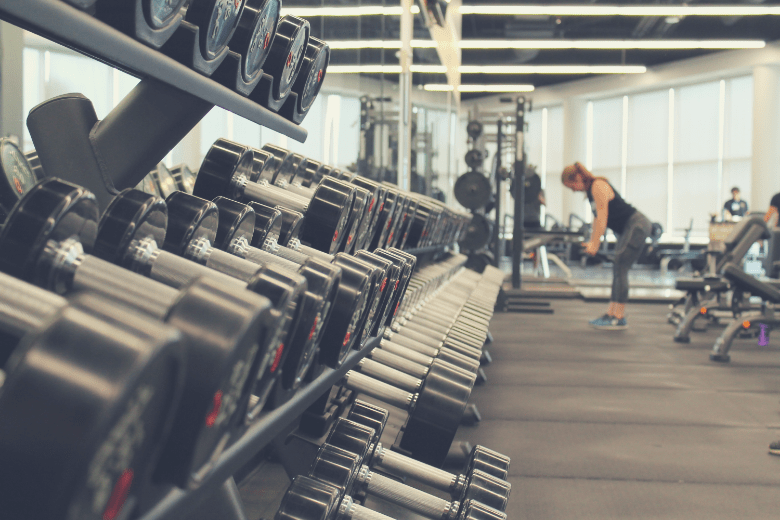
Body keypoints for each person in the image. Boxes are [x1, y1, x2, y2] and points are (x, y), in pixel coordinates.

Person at [561, 162, 652, 330]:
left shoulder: (598, 185)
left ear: (579, 178)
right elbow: (597, 220)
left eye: (572, 185)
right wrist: (592, 241)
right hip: (628, 228)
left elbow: (603, 218)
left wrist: (595, 244)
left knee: (620, 266)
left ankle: (618, 316)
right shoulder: (591, 192)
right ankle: (611, 313)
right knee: (618, 267)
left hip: (637, 225)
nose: (573, 190)